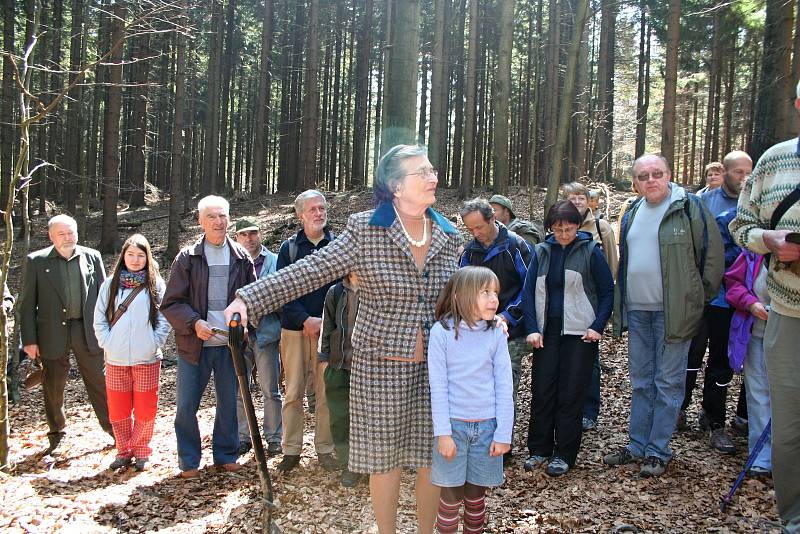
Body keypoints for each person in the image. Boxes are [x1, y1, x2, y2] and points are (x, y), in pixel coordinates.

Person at [225, 145, 462, 534]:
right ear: (396, 186)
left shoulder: (449, 235)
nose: (433, 176)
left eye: (432, 169)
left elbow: (459, 296)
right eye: (422, 171)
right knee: (384, 462)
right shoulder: (365, 230)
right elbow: (309, 271)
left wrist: (492, 321)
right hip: (379, 367)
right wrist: (247, 299)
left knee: (432, 459)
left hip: (437, 370)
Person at [603, 154, 723, 477]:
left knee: (668, 382)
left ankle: (658, 450)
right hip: (639, 311)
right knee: (642, 381)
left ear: (669, 174)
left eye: (657, 173)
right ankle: (637, 445)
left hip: (675, 314)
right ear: (636, 182)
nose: (651, 179)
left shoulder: (688, 207)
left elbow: (712, 258)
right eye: (644, 175)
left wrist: (696, 300)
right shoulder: (631, 211)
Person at [729, 81, 800, 531]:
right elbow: (742, 223)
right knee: (789, 424)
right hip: (788, 314)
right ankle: (794, 517)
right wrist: (768, 240)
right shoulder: (776, 160)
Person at [161, 196, 256, 479]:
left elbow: (254, 298)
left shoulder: (241, 257)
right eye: (212, 216)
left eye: (223, 216)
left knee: (228, 403)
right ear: (201, 221)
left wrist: (247, 324)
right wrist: (194, 323)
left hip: (230, 345)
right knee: (186, 405)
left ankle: (226, 454)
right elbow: (171, 303)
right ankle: (189, 461)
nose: (218, 222)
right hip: (195, 345)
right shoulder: (188, 258)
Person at [521, 201, 614, 476]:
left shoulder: (590, 251)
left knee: (571, 394)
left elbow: (608, 291)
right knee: (542, 390)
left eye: (569, 228)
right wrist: (531, 328)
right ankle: (539, 449)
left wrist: (598, 325)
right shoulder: (542, 252)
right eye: (558, 229)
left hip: (580, 333)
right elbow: (528, 293)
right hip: (546, 332)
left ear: (577, 225)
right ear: (550, 228)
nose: (563, 234)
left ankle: (564, 453)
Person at [427, 266, 513, 534]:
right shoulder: (441, 333)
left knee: (477, 498)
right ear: (462, 296)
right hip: (453, 428)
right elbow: (438, 387)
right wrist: (443, 434)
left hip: (487, 429)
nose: (494, 299)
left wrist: (503, 433)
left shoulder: (496, 333)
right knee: (450, 498)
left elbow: (504, 385)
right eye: (485, 292)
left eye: (495, 292)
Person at [17, 214, 113, 454]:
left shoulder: (92, 257)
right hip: (51, 332)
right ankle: (57, 432)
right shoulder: (37, 261)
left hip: (86, 330)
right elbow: (27, 304)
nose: (68, 237)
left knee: (99, 381)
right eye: (62, 233)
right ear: (51, 236)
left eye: (72, 232)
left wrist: (108, 331)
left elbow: (104, 299)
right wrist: (28, 340)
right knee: (53, 384)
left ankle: (113, 428)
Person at [678, 150, 752, 454]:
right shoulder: (705, 202)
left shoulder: (754, 205)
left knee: (721, 363)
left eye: (749, 172)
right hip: (703, 297)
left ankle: (715, 420)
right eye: (738, 172)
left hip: (735, 301)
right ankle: (679, 408)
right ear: (725, 172)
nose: (744, 178)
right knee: (691, 356)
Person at [458, 198, 531, 464]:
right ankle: (479, 442)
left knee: (504, 386)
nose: (476, 233)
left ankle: (502, 447)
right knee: (479, 385)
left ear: (492, 219)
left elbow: (530, 287)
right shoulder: (470, 251)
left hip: (509, 329)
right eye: (471, 229)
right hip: (476, 331)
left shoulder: (515, 245)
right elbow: (461, 287)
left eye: (479, 227)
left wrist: (508, 316)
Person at [93, 234, 171, 471]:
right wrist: (107, 342)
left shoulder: (155, 284)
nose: (135, 260)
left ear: (147, 258)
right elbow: (99, 318)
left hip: (146, 358)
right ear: (123, 256)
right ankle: (123, 451)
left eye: (140, 255)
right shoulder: (110, 284)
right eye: (131, 255)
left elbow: (164, 318)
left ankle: (141, 451)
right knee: (118, 410)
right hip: (115, 358)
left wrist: (154, 341)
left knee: (146, 409)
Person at [273, 190, 337, 473]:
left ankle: (325, 449)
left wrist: (325, 321)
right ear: (300, 215)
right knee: (294, 391)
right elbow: (283, 290)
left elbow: (342, 290)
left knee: (326, 393)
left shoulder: (336, 245)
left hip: (329, 330)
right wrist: (305, 320)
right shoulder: (289, 249)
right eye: (312, 209)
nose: (319, 213)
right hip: (293, 331)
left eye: (322, 208)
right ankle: (291, 450)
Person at [561, 182, 619, 432]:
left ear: (588, 201)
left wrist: (605, 309)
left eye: (581, 197)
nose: (577, 202)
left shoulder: (600, 227)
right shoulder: (559, 226)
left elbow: (611, 264)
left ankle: (589, 409)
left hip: (591, 303)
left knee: (590, 360)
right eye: (572, 198)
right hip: (564, 305)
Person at [233, 217, 283, 457]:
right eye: (243, 234)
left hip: (266, 334)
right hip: (238, 337)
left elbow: (281, 294)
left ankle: (274, 438)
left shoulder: (274, 261)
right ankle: (244, 437)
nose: (249, 238)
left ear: (260, 234)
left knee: (270, 389)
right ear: (236, 238)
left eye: (253, 233)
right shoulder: (232, 262)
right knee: (240, 389)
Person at [724, 250, 771, 477]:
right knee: (757, 394)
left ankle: (785, 456)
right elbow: (733, 284)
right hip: (755, 333)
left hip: (789, 336)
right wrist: (751, 303)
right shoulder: (754, 251)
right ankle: (761, 457)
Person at [319, 272, 363, 487]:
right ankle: (348, 465)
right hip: (339, 365)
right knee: (340, 419)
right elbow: (327, 326)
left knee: (367, 420)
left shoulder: (376, 289)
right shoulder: (335, 292)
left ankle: (369, 466)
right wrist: (325, 359)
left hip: (367, 370)